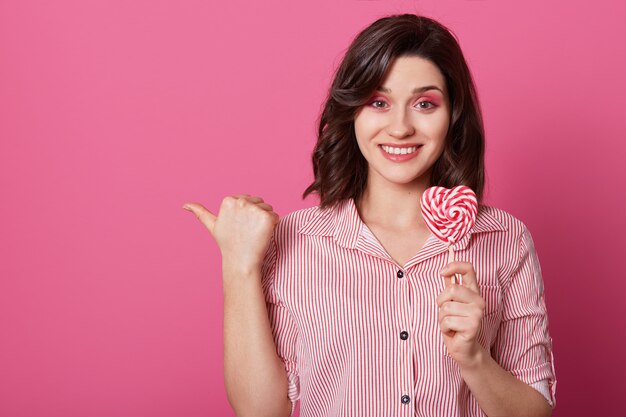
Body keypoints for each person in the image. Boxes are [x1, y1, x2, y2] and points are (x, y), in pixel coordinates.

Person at [183, 13, 556, 417]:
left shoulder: (503, 238)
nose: (400, 127)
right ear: (352, 112)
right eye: (378, 102)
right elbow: (261, 411)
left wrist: (475, 359)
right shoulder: (297, 242)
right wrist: (239, 267)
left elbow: (535, 411)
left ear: (452, 117)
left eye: (425, 104)